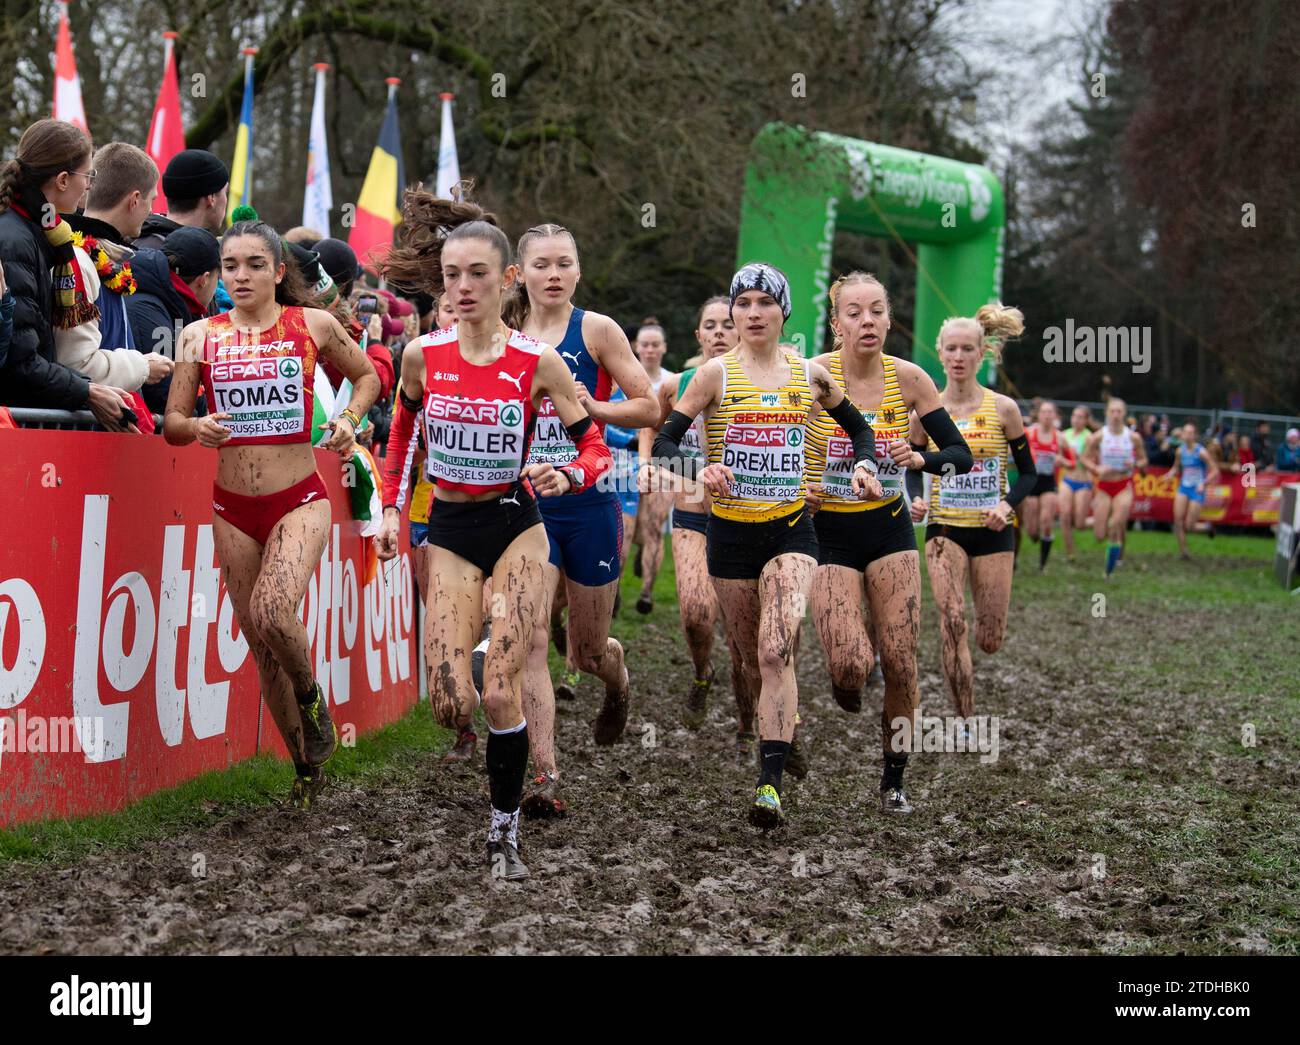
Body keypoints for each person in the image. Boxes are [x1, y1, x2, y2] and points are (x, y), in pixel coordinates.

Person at [376, 193, 612, 879]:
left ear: (507, 280)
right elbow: (400, 434)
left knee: (503, 689)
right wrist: (392, 511)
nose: (463, 287)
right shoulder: (422, 355)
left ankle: (503, 829)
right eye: (452, 275)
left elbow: (594, 446)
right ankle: (475, 683)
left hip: (516, 526)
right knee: (450, 699)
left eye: (478, 274)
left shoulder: (538, 363)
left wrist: (570, 473)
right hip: (449, 526)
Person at [653, 262, 884, 829]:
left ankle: (769, 785)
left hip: (791, 532)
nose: (753, 313)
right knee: (747, 659)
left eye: (764, 303)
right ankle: (784, 729)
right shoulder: (712, 376)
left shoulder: (809, 377)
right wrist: (701, 469)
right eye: (744, 303)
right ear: (732, 313)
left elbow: (859, 429)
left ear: (784, 313)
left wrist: (860, 464)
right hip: (728, 535)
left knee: (776, 649)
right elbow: (662, 445)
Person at [164, 216, 379, 808]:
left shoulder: (311, 324)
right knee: (262, 647)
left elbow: (367, 377)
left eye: (255, 264)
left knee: (272, 609)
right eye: (230, 265)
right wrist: (196, 426)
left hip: (299, 499)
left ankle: (311, 697)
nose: (241, 275)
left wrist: (346, 422)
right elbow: (172, 424)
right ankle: (305, 769)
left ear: (280, 271)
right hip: (231, 508)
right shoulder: (198, 337)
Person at [803, 272, 971, 814]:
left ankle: (893, 779)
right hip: (826, 531)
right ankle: (846, 676)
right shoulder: (812, 377)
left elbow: (960, 455)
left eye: (877, 310)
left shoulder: (913, 380)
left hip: (889, 529)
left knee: (900, 662)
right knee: (851, 666)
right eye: (854, 312)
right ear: (836, 325)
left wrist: (920, 459)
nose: (867, 321)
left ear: (890, 319)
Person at [509, 223, 657, 818]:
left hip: (590, 505)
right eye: (540, 264)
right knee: (535, 639)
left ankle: (616, 681)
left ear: (577, 271)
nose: (553, 275)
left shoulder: (596, 331)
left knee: (588, 650)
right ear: (518, 273)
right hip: (527, 508)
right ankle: (543, 774)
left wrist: (592, 407)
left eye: (563, 264)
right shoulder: (503, 334)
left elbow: (649, 404)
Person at [906, 304, 1034, 719]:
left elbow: (1030, 475)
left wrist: (1005, 504)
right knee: (953, 621)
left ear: (983, 354)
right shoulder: (925, 414)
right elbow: (911, 468)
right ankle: (964, 716)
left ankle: (981, 659)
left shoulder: (1004, 409)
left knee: (990, 638)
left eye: (967, 349)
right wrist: (915, 498)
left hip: (994, 530)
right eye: (951, 349)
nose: (958, 357)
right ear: (940, 354)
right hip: (945, 530)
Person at [637, 295, 740, 733]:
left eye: (727, 325)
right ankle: (702, 673)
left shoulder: (765, 388)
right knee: (696, 614)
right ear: (698, 335)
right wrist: (646, 462)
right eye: (710, 325)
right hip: (692, 511)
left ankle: (752, 722)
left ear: (743, 332)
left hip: (745, 519)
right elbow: (651, 423)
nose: (719, 332)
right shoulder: (677, 385)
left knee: (742, 633)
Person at [0, 119, 136, 429]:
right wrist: (87, 391)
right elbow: (19, 362)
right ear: (62, 180)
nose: (89, 185)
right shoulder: (15, 241)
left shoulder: (38, 232)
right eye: (87, 175)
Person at [126, 227, 222, 417]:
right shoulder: (147, 307)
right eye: (218, 278)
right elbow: (168, 392)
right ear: (204, 279)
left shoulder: (175, 303)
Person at [629, 317, 677, 614]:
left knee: (654, 527)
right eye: (644, 344)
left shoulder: (674, 381)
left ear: (664, 348)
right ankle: (635, 555)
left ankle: (646, 592)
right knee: (630, 528)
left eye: (655, 345)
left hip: (662, 464)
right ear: (636, 347)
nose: (649, 350)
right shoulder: (622, 378)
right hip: (622, 464)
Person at [1082, 397, 1148, 580]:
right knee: (1100, 534)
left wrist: (1134, 462)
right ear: (1106, 413)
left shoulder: (1133, 437)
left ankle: (1109, 572)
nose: (1116, 415)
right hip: (1103, 486)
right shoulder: (1099, 436)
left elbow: (1143, 461)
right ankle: (1114, 552)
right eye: (1112, 411)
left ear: (1124, 413)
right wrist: (1096, 469)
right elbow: (1084, 458)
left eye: (1119, 411)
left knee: (1115, 525)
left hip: (1123, 485)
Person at [133, 150, 228, 247]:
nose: (226, 199)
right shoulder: (192, 256)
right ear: (211, 198)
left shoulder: (134, 244)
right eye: (225, 192)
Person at [1020, 400, 1074, 572]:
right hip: (1031, 481)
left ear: (1055, 416)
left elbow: (1073, 462)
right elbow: (1015, 451)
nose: (1047, 416)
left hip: (1049, 483)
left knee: (1046, 521)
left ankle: (1042, 565)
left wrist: (1062, 461)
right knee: (1032, 530)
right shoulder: (1029, 433)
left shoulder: (1060, 437)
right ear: (1039, 415)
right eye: (1044, 412)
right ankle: (1037, 538)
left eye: (1050, 412)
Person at [1171, 421, 1219, 560]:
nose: (1187, 435)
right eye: (1185, 432)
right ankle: (1184, 551)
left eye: (1191, 433)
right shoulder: (1180, 451)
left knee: (1189, 525)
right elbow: (1176, 467)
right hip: (1184, 487)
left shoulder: (1201, 452)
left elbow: (1215, 470)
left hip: (1197, 489)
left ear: (1195, 436)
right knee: (1177, 520)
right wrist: (1170, 474)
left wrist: (1203, 484)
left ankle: (1207, 528)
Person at [1058, 404, 1093, 560]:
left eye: (1080, 417)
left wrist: (1079, 458)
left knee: (1079, 523)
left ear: (1086, 420)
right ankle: (1070, 552)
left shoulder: (1089, 437)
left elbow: (1091, 461)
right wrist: (1064, 461)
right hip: (1067, 479)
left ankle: (1102, 521)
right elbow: (1059, 457)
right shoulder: (1064, 435)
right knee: (1064, 516)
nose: (1076, 420)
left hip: (1083, 481)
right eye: (1074, 416)